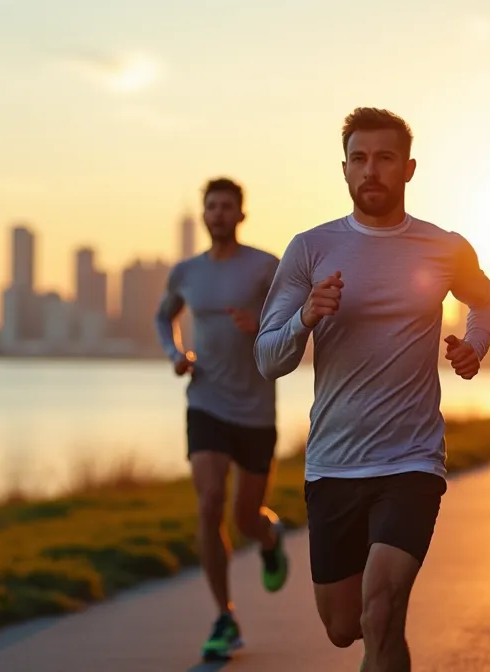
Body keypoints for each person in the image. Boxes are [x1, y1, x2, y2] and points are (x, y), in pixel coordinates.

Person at [255, 107, 490, 671]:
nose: (372, 170)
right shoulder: (310, 249)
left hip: (411, 461)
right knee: (347, 627)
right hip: (333, 465)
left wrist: (475, 345)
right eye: (360, 159)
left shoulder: (443, 247)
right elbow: (268, 359)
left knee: (381, 608)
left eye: (385, 159)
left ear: (409, 169)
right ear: (343, 170)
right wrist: (305, 319)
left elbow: (486, 301)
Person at [155, 176, 289, 662]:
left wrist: (264, 323)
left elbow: (294, 314)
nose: (218, 214)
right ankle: (224, 616)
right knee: (210, 503)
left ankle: (268, 536)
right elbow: (162, 316)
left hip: (255, 411)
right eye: (211, 207)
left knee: (244, 518)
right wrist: (175, 353)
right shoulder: (186, 272)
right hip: (206, 402)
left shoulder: (265, 266)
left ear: (241, 214)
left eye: (227, 206)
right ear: (204, 214)